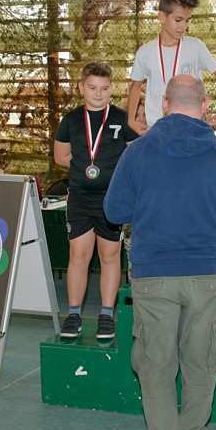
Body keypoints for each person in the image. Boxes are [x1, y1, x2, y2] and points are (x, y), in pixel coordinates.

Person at [104, 74, 216, 430]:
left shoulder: (136, 152)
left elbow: (114, 211)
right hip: (206, 273)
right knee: (201, 360)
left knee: (155, 363)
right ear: (205, 106)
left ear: (164, 105)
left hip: (152, 273)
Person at [53, 62, 139, 339]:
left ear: (112, 88)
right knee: (78, 256)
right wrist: (85, 168)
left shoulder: (122, 118)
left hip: (111, 199)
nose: (98, 94)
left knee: (110, 256)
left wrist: (114, 172)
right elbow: (60, 156)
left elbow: (135, 154)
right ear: (81, 88)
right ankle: (73, 315)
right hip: (80, 198)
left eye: (104, 88)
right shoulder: (70, 120)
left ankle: (106, 316)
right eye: (92, 88)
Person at [127, 0, 216, 134]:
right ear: (162, 17)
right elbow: (135, 86)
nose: (183, 26)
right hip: (158, 128)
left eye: (187, 21)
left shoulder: (196, 47)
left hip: (193, 127)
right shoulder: (145, 52)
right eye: (178, 20)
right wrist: (131, 120)